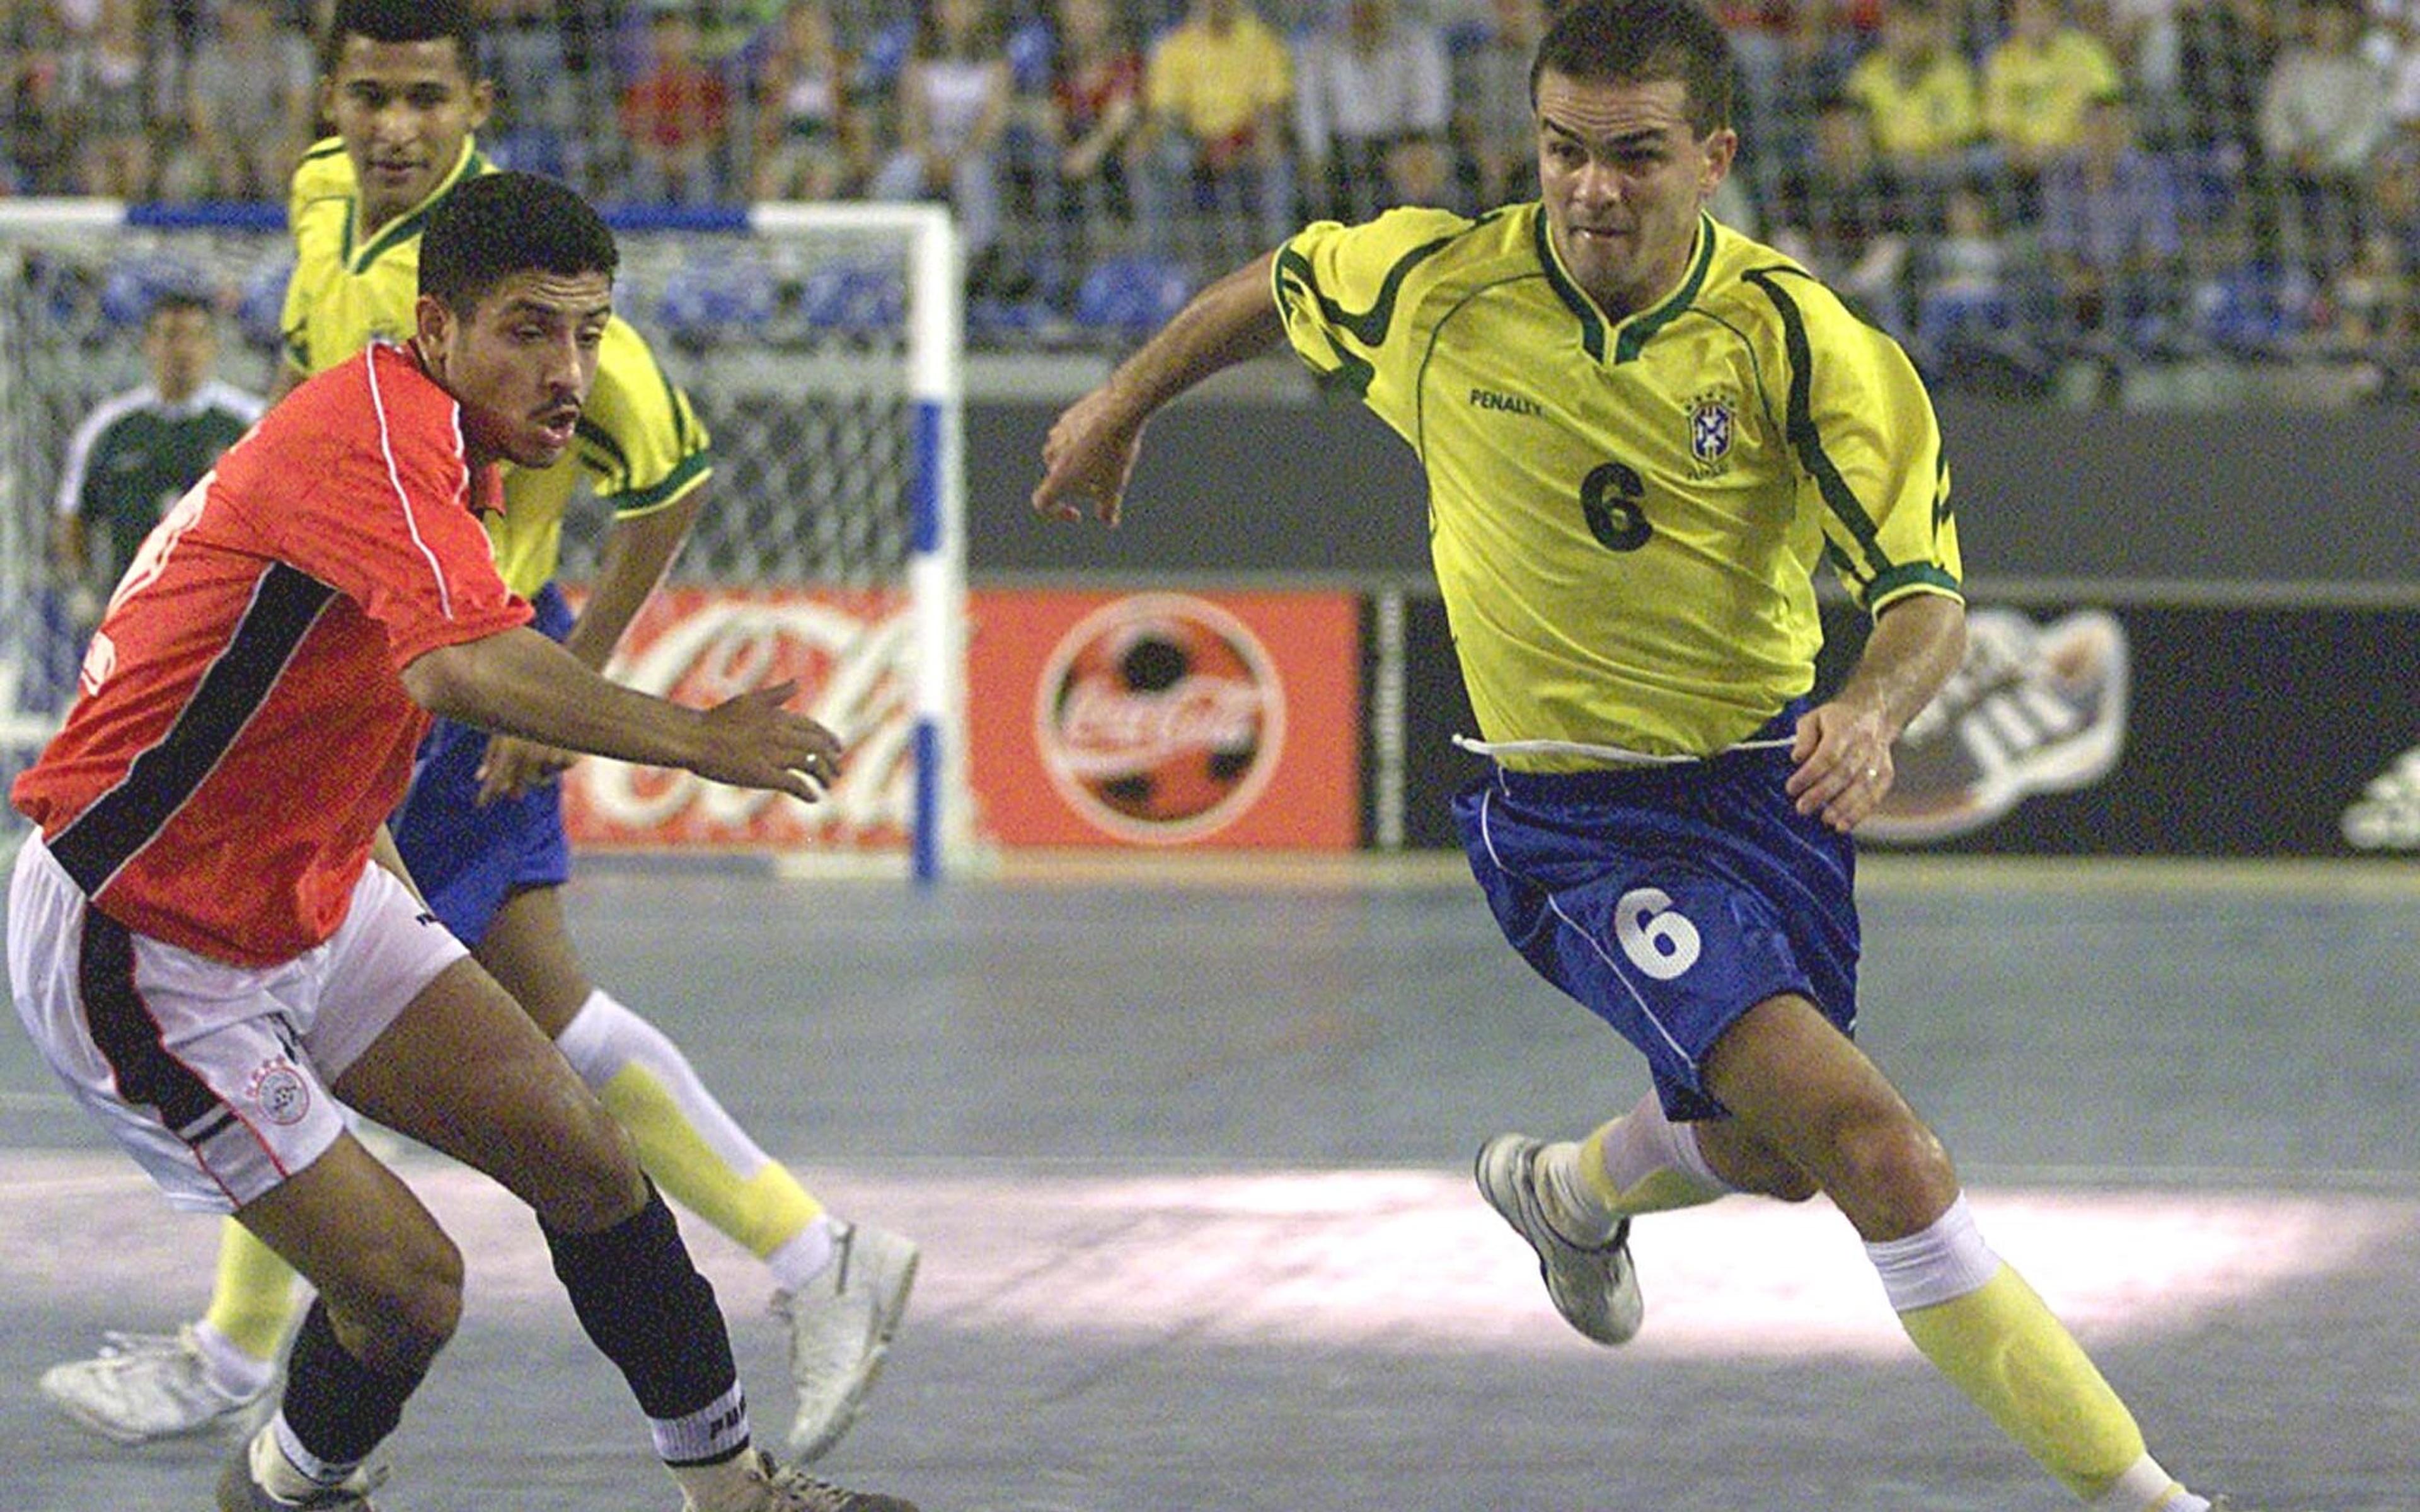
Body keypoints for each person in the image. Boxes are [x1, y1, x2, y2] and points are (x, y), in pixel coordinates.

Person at [1031, 3, 2234, 1507]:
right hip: (1576, 821)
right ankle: (2147, 1494)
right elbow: (1273, 288)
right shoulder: (1441, 284)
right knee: (1879, 1152)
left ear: (1713, 157)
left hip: (1763, 795)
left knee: (1771, 1148)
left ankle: (1569, 1185)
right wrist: (1115, 401)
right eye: (1560, 152)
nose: (1591, 189)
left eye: (1634, 156)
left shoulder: (1801, 341)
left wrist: (1869, 706)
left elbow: (1923, 594)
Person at [37, 0, 917, 1468]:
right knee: (409, 1287)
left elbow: (484, 608)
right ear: (436, 328)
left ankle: (738, 1478)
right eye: (530, 333)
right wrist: (699, 733)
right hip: (143, 922)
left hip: (317, 858)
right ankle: (279, 1463)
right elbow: (450, 670)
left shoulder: (462, 434)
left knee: (583, 1148)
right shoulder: (370, 421)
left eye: (588, 331)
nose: (567, 367)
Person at [50, 291, 263, 631]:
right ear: (148, 344)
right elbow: (72, 513)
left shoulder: (250, 422)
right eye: (169, 336)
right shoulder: (109, 426)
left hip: (227, 618)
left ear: (212, 346)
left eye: (195, 336)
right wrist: (81, 587)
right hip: (135, 613)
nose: (182, 350)